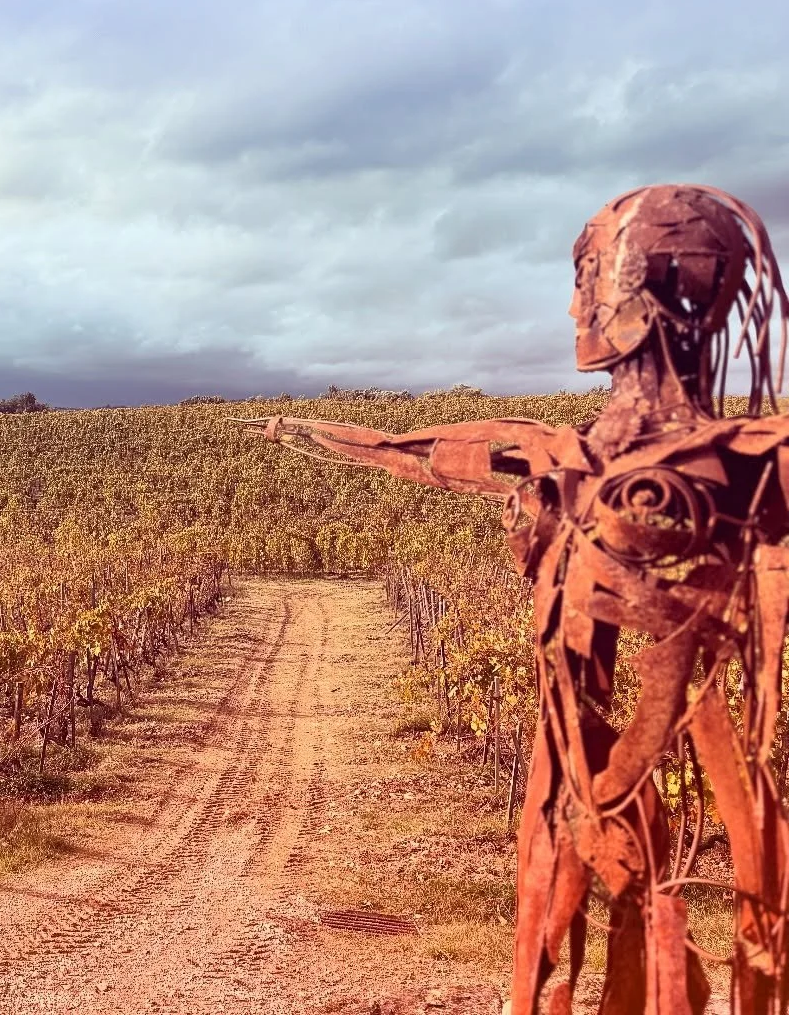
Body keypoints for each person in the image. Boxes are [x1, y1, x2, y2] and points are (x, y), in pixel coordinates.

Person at [247, 185, 789, 1015]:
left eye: (590, 278)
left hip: (709, 792)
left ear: (654, 289)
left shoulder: (755, 465)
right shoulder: (559, 458)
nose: (576, 306)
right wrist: (303, 433)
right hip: (569, 794)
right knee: (556, 951)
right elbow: (410, 450)